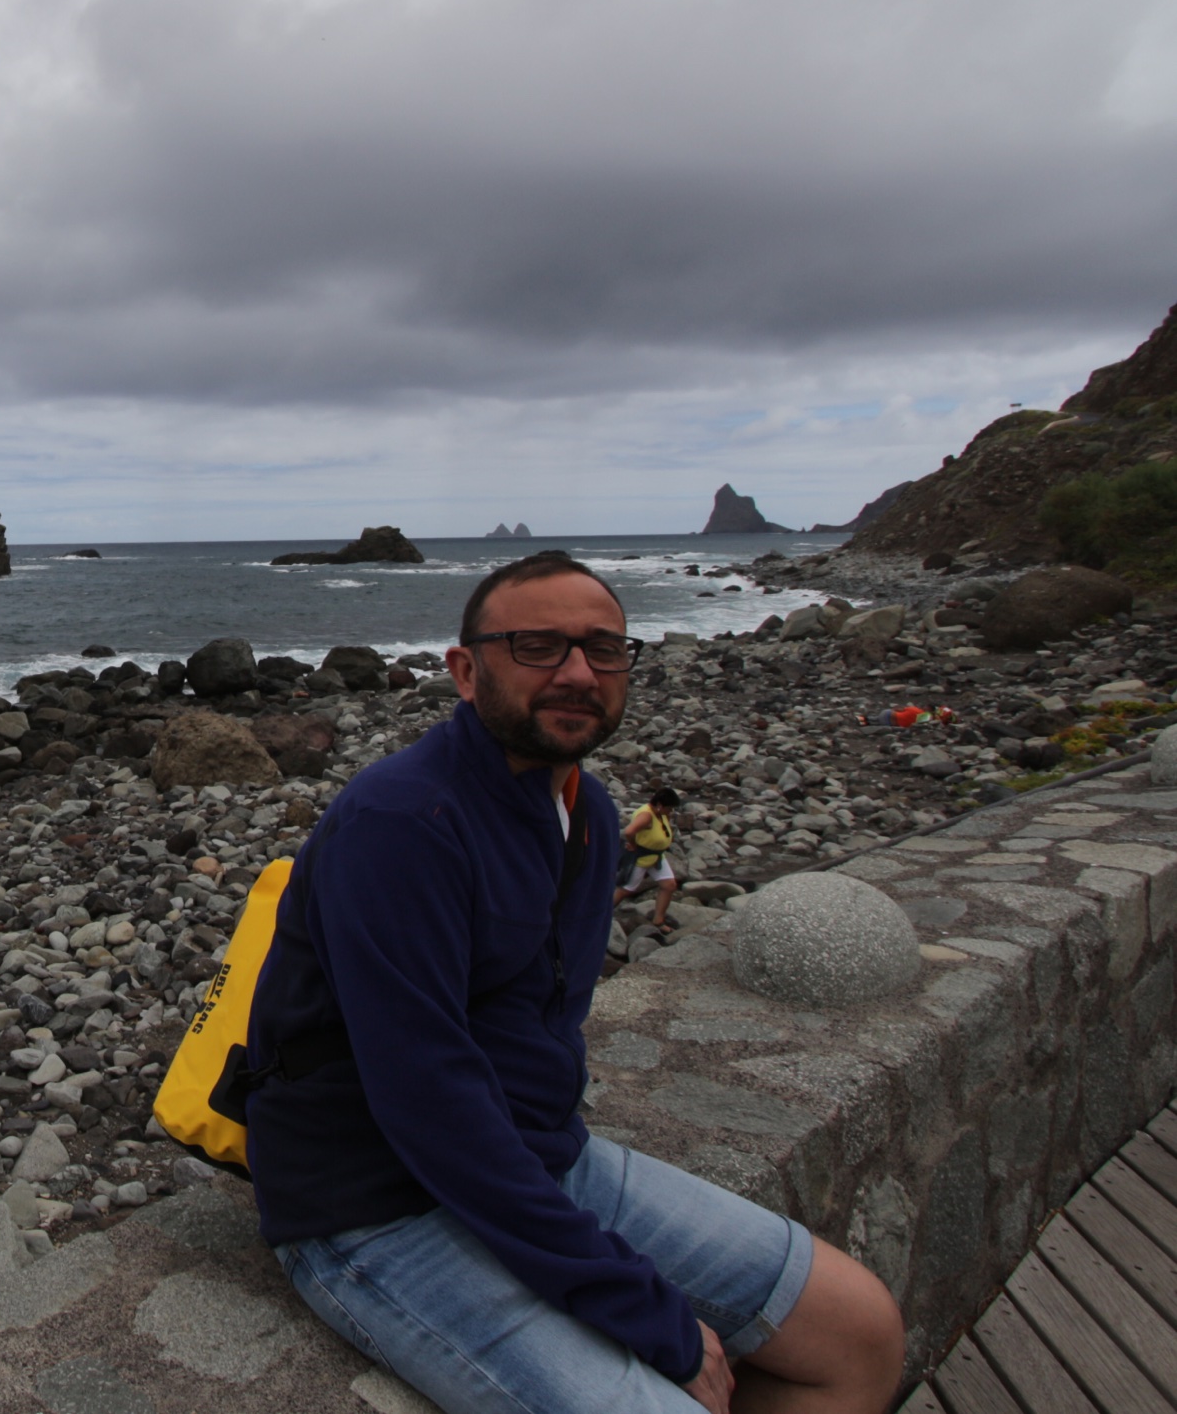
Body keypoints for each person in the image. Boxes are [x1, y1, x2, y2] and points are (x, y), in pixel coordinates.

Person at [241, 552, 903, 1414]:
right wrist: (645, 1311)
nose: (579, 673)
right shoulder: (401, 824)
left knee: (861, 1334)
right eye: (538, 647)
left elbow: (539, 1027)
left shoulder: (589, 816)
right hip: (373, 1203)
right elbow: (427, 1100)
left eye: (604, 649)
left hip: (535, 1160)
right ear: (465, 670)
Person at [615, 786, 682, 932]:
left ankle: (658, 920)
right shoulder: (646, 816)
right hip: (641, 857)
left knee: (669, 885)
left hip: (657, 856)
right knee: (627, 889)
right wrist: (632, 845)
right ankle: (601, 913)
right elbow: (629, 831)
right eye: (669, 808)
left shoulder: (662, 813)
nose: (671, 812)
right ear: (659, 805)